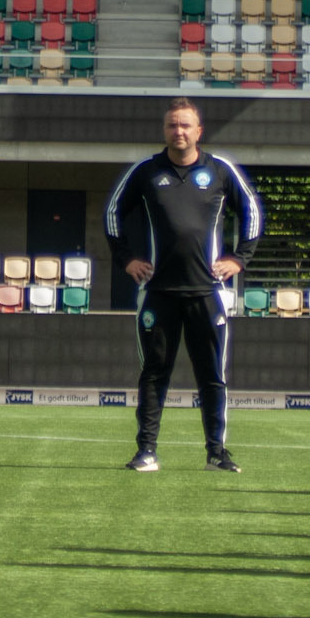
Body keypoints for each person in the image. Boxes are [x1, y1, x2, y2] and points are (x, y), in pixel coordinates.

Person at [103, 98, 264, 474]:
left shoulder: (219, 171)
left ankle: (217, 454)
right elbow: (113, 213)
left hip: (208, 294)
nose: (179, 131)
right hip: (158, 293)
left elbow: (252, 211)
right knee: (154, 374)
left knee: (212, 376)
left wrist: (239, 259)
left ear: (198, 131)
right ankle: (146, 452)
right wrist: (127, 258)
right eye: (173, 125)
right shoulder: (146, 171)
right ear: (165, 130)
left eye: (185, 125)